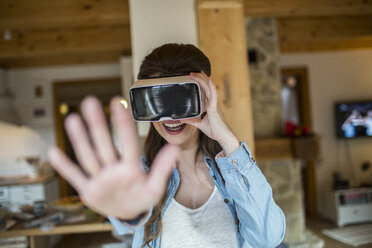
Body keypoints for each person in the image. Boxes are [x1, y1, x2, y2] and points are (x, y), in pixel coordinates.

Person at [48, 43, 286, 248]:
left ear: (204, 97)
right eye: (158, 102)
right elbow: (131, 213)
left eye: (180, 100)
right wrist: (129, 214)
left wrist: (228, 141)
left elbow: (268, 238)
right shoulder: (141, 175)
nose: (170, 118)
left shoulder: (234, 170)